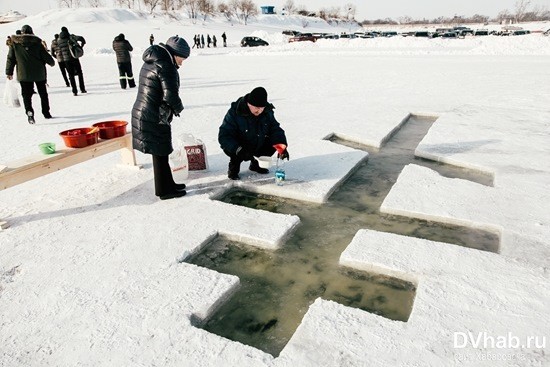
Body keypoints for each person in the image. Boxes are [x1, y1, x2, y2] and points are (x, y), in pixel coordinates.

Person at [131, 36, 191, 200]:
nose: (182, 62)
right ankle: (164, 191)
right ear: (175, 53)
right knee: (160, 153)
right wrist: (179, 108)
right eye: (182, 58)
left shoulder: (154, 60)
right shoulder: (166, 66)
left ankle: (168, 184)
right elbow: (170, 95)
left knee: (161, 153)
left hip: (146, 112)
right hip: (154, 115)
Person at [218, 87, 289, 180]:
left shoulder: (267, 112)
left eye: (262, 108)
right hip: (240, 146)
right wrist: (238, 149)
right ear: (249, 104)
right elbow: (224, 135)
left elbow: (275, 129)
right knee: (235, 152)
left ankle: (256, 165)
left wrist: (281, 147)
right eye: (257, 108)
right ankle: (234, 166)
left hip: (258, 141)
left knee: (272, 144)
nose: (259, 111)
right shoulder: (235, 112)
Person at [5, 25, 55, 124]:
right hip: (39, 74)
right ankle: (46, 113)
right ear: (32, 32)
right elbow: (48, 59)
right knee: (43, 93)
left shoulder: (15, 44)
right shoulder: (37, 43)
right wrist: (51, 62)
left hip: (23, 74)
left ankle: (29, 112)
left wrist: (9, 72)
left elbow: (11, 59)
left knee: (26, 95)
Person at [57, 26, 87, 96]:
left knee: (71, 75)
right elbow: (81, 38)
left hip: (66, 60)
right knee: (80, 73)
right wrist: (81, 47)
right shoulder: (71, 37)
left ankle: (74, 91)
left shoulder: (59, 40)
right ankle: (82, 89)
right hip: (74, 58)